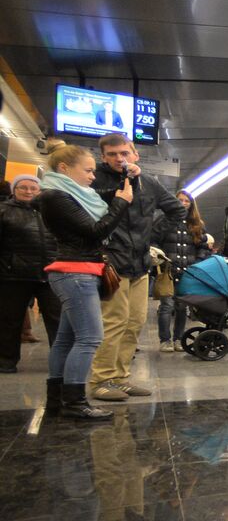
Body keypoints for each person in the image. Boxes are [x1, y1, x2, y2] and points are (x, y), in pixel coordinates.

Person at [35, 143, 134, 420]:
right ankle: (75, 402)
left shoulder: (69, 195)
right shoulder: (56, 197)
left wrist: (127, 182)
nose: (93, 177)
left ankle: (57, 399)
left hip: (76, 272)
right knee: (90, 337)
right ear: (65, 168)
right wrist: (122, 203)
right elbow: (95, 231)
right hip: (76, 273)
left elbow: (103, 196)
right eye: (88, 170)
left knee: (66, 339)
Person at [88, 134, 184, 402]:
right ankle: (101, 379)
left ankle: (120, 378)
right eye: (113, 154)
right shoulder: (94, 180)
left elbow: (177, 211)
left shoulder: (149, 183)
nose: (120, 159)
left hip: (140, 263)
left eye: (124, 153)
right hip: (111, 262)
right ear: (103, 157)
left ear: (135, 154)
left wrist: (152, 236)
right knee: (113, 323)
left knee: (135, 322)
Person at [0, 174, 61, 372]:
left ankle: (61, 361)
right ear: (14, 190)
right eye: (23, 188)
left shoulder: (50, 212)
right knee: (10, 320)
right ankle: (6, 362)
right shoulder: (4, 211)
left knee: (57, 320)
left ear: (39, 191)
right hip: (14, 275)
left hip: (50, 273)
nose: (28, 191)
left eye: (33, 188)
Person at [153, 190, 211, 351]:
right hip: (168, 271)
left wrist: (198, 263)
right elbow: (153, 241)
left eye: (187, 201)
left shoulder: (197, 224)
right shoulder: (164, 220)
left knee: (181, 307)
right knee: (166, 306)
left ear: (191, 204)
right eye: (180, 200)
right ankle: (165, 340)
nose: (183, 203)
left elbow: (203, 247)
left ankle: (178, 339)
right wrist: (160, 256)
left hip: (188, 272)